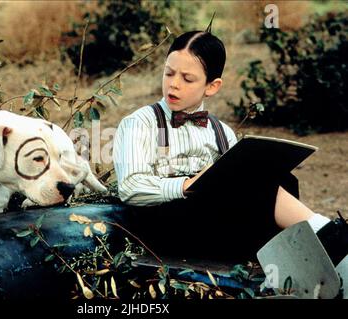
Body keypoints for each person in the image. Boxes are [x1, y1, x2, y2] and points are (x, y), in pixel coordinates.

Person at [112, 30, 347, 264]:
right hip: (162, 230)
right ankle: (330, 237)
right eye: (169, 73)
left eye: (187, 78)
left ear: (212, 86)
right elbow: (130, 187)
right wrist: (185, 185)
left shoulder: (221, 131)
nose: (174, 84)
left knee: (282, 180)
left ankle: (307, 255)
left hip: (213, 226)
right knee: (258, 189)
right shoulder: (139, 122)